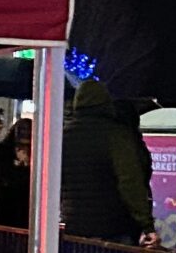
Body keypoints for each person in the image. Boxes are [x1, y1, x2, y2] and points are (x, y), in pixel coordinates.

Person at [60, 80, 157, 244]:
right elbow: (129, 181)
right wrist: (146, 224)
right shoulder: (115, 135)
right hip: (113, 226)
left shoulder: (64, 135)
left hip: (75, 225)